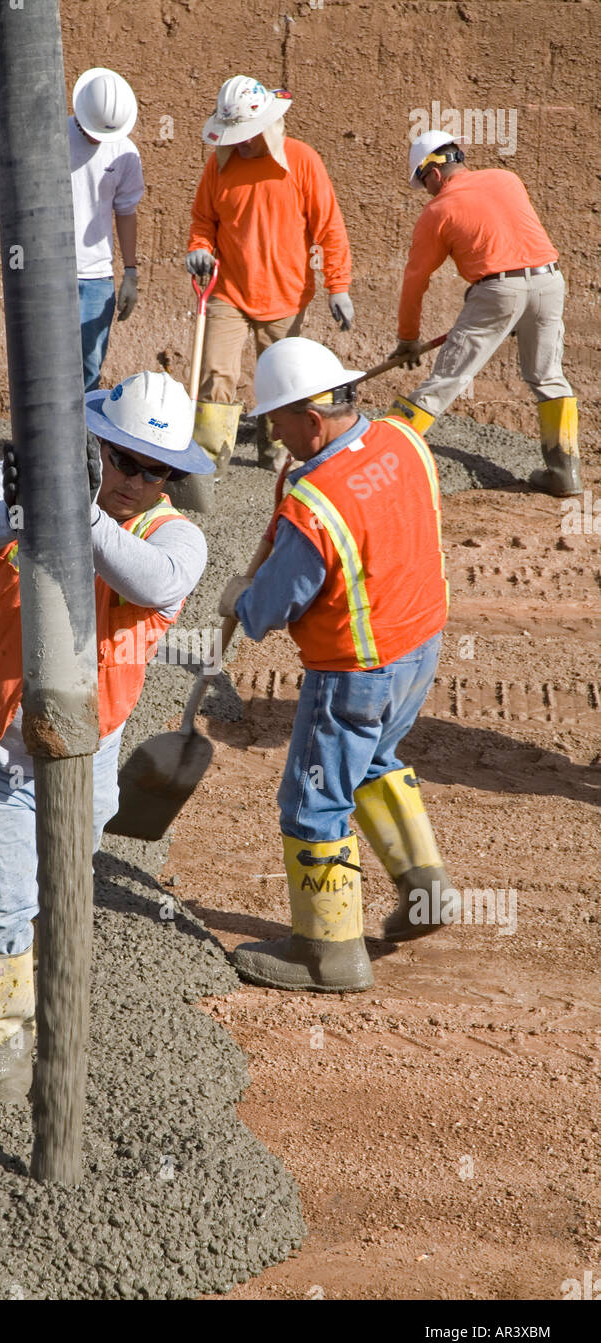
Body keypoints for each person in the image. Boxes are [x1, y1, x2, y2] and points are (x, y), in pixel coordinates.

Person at [0, 371, 211, 1103]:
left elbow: (154, 581)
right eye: (121, 459)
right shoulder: (11, 482)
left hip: (86, 746)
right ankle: (3, 1039)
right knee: (1, 897)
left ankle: (29, 979)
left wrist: (78, 516)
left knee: (60, 886)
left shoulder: (174, 536)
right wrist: (25, 510)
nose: (136, 480)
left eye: (157, 471)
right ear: (95, 444)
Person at [218, 338, 452, 994]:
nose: (273, 432)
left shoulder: (317, 504)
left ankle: (329, 955)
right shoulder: (405, 440)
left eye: (278, 421)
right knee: (377, 760)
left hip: (354, 669)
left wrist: (238, 595)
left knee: (313, 802)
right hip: (419, 646)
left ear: (313, 421)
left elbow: (270, 608)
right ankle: (426, 890)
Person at [389, 130, 580, 497]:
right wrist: (516, 308)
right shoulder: (507, 179)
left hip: (497, 291)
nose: (427, 191)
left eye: (424, 182)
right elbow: (507, 233)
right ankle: (564, 473)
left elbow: (415, 281)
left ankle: (377, 460)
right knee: (548, 376)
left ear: (435, 172)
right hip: (549, 283)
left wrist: (408, 338)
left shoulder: (437, 211)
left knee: (449, 378)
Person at [186, 75, 353, 472]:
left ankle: (277, 452)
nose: (241, 141)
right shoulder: (220, 164)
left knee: (281, 378)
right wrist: (198, 250)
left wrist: (338, 285)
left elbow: (330, 228)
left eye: (246, 132)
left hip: (286, 295)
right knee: (215, 371)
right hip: (227, 290)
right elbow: (203, 221)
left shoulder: (301, 160)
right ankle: (209, 459)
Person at [70, 67, 145, 390]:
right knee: (45, 363)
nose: (97, 139)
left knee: (89, 367)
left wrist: (130, 273)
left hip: (96, 277)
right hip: (49, 274)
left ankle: (83, 437)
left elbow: (126, 212)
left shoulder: (125, 152)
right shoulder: (53, 139)